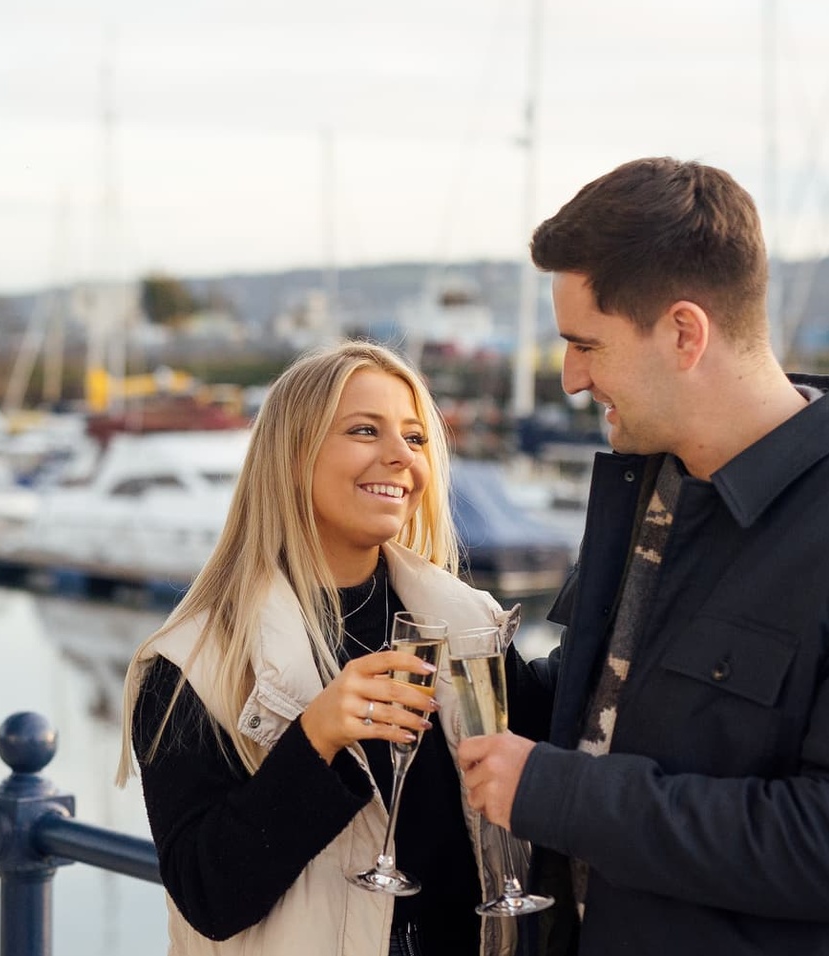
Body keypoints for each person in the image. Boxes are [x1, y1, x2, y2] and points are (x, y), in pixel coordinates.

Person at [457, 157, 829, 955]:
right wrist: (455, 671)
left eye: (587, 344)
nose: (572, 378)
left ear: (685, 332)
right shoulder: (657, 490)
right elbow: (608, 708)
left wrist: (557, 795)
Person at [117, 341, 526, 956]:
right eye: (365, 430)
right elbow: (208, 898)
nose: (399, 457)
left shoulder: (470, 625)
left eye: (415, 439)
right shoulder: (191, 663)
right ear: (291, 456)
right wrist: (315, 742)